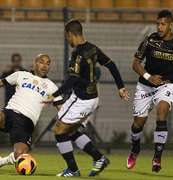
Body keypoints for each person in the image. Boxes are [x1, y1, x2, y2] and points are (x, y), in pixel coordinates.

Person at [44, 19, 130, 177]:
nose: (67, 40)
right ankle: (99, 158)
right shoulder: (92, 48)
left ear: (70, 34)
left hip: (81, 99)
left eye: (67, 36)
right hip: (92, 98)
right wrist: (121, 87)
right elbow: (111, 64)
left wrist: (54, 95)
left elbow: (73, 79)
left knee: (58, 131)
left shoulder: (77, 55)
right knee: (70, 131)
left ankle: (73, 170)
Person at [0, 54, 63, 173]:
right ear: (35, 64)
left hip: (27, 122)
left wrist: (67, 123)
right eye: (41, 62)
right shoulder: (21, 75)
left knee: (19, 155)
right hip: (11, 112)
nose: (45, 66)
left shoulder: (51, 86)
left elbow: (61, 108)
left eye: (48, 63)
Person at [127, 9, 173, 173]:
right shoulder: (150, 40)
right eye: (157, 24)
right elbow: (135, 63)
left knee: (162, 111)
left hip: (167, 85)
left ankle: (157, 157)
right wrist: (149, 77)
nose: (159, 27)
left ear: (171, 25)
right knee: (138, 123)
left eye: (163, 24)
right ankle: (135, 149)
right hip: (145, 85)